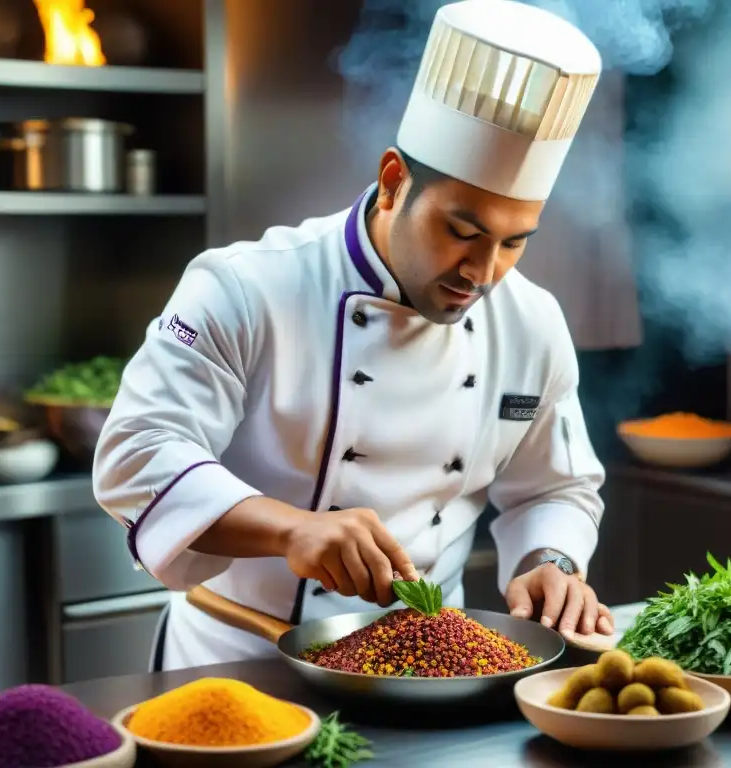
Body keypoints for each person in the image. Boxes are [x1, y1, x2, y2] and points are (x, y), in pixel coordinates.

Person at [93, 0, 614, 671]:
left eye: (514, 243)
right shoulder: (246, 287)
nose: (484, 272)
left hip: (429, 666)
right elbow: (137, 454)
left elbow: (556, 487)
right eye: (463, 232)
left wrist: (552, 561)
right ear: (395, 181)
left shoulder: (531, 321)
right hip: (239, 661)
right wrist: (292, 529)